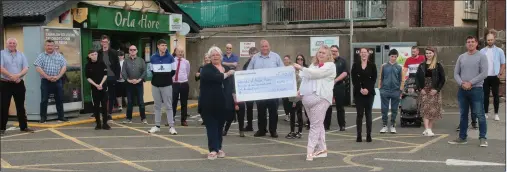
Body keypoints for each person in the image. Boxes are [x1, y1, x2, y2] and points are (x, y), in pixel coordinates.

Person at [294, 45, 336, 161]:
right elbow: (306, 78)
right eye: (319, 52)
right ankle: (322, 150)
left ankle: (310, 151)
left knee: (314, 126)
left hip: (321, 98)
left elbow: (315, 74)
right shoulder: (313, 66)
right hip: (308, 100)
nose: (321, 54)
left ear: (328, 55)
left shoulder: (330, 66)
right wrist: (300, 90)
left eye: (323, 53)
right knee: (318, 125)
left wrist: (301, 68)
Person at [449, 36, 489, 147]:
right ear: (466, 44)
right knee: (463, 115)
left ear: (476, 43)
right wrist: (462, 83)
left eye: (472, 42)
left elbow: (484, 73)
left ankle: (482, 138)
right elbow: (456, 73)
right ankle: (462, 137)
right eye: (468, 42)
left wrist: (470, 82)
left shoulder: (482, 56)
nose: (470, 44)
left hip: (476, 89)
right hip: (462, 90)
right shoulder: (461, 57)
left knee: (479, 114)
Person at [200, 46, 235, 160]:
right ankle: (213, 150)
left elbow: (231, 85)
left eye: (217, 55)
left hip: (223, 103)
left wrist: (234, 98)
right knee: (211, 126)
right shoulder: (206, 69)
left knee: (220, 127)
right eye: (213, 55)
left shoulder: (225, 67)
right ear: (209, 57)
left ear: (221, 56)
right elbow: (216, 78)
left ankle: (219, 148)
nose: (215, 57)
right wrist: (228, 74)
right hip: (209, 103)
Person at [247, 40, 284, 138]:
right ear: (260, 47)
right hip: (260, 91)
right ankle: (262, 130)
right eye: (262, 46)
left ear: (269, 46)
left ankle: (273, 131)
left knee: (273, 112)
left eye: (266, 46)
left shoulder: (276, 57)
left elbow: (283, 70)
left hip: (273, 90)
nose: (264, 48)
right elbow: (249, 70)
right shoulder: (255, 58)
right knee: (261, 111)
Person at [0, 38, 35, 136]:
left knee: (20, 106)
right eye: (10, 43)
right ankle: (2, 128)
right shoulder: (2, 53)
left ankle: (23, 127)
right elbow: (1, 68)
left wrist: (18, 76)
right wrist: (12, 76)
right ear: (7, 44)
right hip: (5, 83)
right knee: (4, 106)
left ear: (16, 44)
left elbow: (26, 68)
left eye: (14, 43)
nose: (12, 44)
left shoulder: (21, 54)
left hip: (19, 83)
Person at [148, 39, 178, 135]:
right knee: (157, 106)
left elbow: (173, 71)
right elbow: (152, 70)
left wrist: (165, 78)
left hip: (167, 85)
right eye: (162, 45)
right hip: (155, 85)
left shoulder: (170, 57)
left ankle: (171, 127)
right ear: (158, 46)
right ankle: (157, 126)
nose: (164, 47)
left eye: (165, 45)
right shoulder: (153, 57)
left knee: (168, 106)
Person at [34, 39, 68, 123]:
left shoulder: (59, 56)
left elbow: (64, 67)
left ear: (54, 46)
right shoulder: (41, 56)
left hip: (57, 80)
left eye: (51, 45)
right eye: (48, 45)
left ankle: (61, 117)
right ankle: (43, 118)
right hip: (45, 81)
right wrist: (47, 76)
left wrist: (58, 76)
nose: (49, 47)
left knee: (59, 99)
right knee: (44, 100)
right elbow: (37, 67)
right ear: (45, 46)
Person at [416, 47, 445, 136]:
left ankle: (429, 128)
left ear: (434, 54)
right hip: (424, 89)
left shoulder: (438, 65)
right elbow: (417, 78)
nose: (428, 55)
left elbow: (442, 79)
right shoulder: (421, 65)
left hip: (434, 90)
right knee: (425, 109)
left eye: (430, 53)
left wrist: (437, 89)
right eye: (427, 53)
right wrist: (420, 89)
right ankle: (426, 128)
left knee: (433, 110)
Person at [351, 48, 377, 143]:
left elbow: (374, 79)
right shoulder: (355, 65)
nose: (363, 54)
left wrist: (368, 89)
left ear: (368, 54)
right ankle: (359, 135)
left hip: (369, 93)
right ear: (360, 54)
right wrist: (360, 89)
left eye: (365, 53)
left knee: (368, 114)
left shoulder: (372, 65)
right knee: (359, 114)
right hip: (359, 93)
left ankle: (369, 135)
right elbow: (354, 79)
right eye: (362, 53)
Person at [480, 31, 505, 121]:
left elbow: (503, 63)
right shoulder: (482, 51)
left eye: (491, 40)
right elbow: (479, 63)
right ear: (486, 41)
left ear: (494, 40)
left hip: (495, 76)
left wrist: (500, 73)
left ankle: (496, 114)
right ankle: (486, 113)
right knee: (485, 95)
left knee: (496, 95)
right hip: (485, 76)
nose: (490, 41)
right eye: (488, 40)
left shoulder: (499, 51)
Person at [324, 45, 348, 131]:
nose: (333, 52)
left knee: (340, 107)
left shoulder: (342, 61)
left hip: (339, 86)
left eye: (335, 51)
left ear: (338, 52)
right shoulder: (326, 61)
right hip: (327, 87)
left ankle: (342, 125)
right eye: (332, 51)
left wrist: (335, 80)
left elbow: (345, 73)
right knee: (327, 106)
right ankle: (326, 125)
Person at [378, 49, 403, 134]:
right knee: (384, 109)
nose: (393, 58)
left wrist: (400, 89)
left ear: (397, 57)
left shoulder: (399, 67)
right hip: (385, 90)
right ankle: (384, 125)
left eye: (395, 57)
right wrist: (380, 88)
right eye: (392, 56)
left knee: (394, 109)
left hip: (395, 91)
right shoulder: (384, 66)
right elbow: (381, 77)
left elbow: (401, 79)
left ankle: (392, 125)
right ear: (389, 56)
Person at [85, 50, 111, 130]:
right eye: (92, 54)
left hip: (103, 88)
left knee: (104, 106)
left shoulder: (102, 63)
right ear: (89, 56)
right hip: (94, 89)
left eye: (95, 54)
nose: (94, 56)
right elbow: (88, 78)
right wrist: (96, 85)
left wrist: (100, 84)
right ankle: (98, 124)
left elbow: (105, 75)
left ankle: (105, 123)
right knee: (96, 107)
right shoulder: (88, 66)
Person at [121, 45, 147, 124]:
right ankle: (129, 118)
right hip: (129, 84)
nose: (132, 51)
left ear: (137, 51)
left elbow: (144, 71)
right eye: (131, 50)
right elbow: (123, 72)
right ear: (129, 51)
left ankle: (143, 118)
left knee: (141, 101)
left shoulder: (141, 60)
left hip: (139, 84)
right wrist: (128, 80)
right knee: (130, 102)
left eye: (134, 49)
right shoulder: (126, 61)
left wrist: (139, 80)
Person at [98, 35, 121, 120]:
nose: (104, 43)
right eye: (103, 42)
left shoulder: (114, 52)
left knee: (111, 95)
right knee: (103, 96)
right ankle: (104, 112)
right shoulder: (99, 53)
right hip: (102, 78)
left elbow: (117, 65)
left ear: (108, 42)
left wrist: (117, 77)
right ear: (101, 43)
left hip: (112, 77)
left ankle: (109, 113)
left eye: (106, 42)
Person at [286, 56, 303, 139]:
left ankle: (299, 131)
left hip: (297, 99)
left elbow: (299, 90)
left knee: (299, 115)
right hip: (291, 99)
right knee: (292, 115)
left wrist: (295, 101)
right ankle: (292, 131)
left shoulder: (299, 78)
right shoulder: (290, 78)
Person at [172, 47, 191, 126]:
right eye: (179, 51)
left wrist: (183, 79)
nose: (180, 53)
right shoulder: (172, 61)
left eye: (182, 51)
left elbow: (187, 72)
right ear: (175, 52)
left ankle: (183, 120)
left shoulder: (186, 62)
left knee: (184, 102)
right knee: (173, 102)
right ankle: (171, 119)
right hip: (174, 83)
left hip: (184, 83)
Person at [242, 47, 259, 132]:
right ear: (249, 55)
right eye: (252, 54)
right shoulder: (246, 64)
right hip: (250, 89)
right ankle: (249, 125)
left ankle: (262, 127)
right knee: (249, 108)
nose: (253, 55)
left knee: (261, 108)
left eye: (255, 54)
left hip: (259, 88)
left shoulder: (260, 63)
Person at [195, 53, 211, 125]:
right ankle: (204, 119)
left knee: (209, 105)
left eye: (208, 57)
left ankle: (209, 119)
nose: (206, 59)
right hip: (202, 88)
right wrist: (197, 75)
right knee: (201, 105)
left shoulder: (212, 67)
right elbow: (196, 79)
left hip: (210, 89)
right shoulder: (201, 67)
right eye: (205, 58)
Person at [296, 54, 311, 130]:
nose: (300, 61)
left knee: (306, 109)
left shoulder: (306, 69)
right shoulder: (294, 69)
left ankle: (309, 122)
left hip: (305, 91)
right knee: (298, 109)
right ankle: (300, 124)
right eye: (298, 59)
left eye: (301, 59)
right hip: (298, 91)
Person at [282, 55, 293, 122]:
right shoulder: (282, 68)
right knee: (285, 102)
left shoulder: (292, 68)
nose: (285, 61)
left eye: (287, 59)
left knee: (290, 102)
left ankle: (291, 115)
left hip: (290, 88)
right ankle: (287, 115)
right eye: (284, 59)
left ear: (289, 60)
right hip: (284, 88)